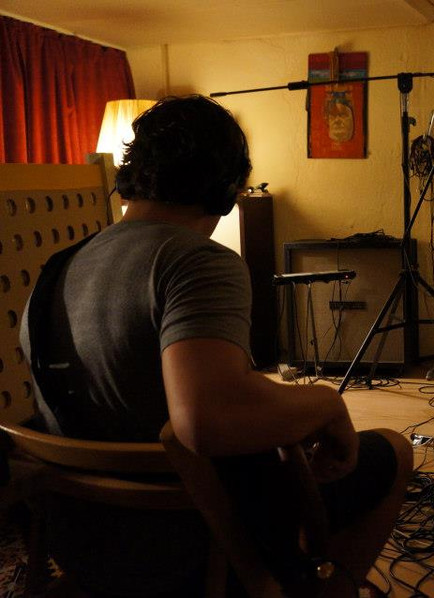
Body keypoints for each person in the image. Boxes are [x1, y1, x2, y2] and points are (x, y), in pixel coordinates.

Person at [19, 95, 412, 597]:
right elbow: (205, 419)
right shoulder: (198, 261)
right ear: (228, 192)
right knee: (395, 449)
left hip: (82, 545)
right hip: (187, 549)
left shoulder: (55, 268)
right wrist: (327, 403)